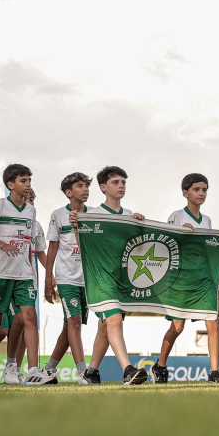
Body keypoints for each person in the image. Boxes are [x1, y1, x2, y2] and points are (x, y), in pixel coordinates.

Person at [151, 173, 219, 384]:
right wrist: (180, 232)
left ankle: (215, 372)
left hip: (203, 278)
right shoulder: (176, 216)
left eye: (204, 190)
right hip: (181, 278)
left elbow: (207, 246)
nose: (201, 193)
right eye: (196, 189)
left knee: (213, 320)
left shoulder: (207, 220)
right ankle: (160, 366)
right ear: (185, 193)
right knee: (177, 327)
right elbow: (167, 242)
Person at [69, 165, 149, 385]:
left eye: (123, 182)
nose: (121, 186)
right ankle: (128, 370)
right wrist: (76, 227)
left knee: (106, 325)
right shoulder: (93, 214)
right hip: (100, 278)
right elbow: (83, 246)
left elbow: (140, 250)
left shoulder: (129, 216)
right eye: (115, 182)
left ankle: (91, 373)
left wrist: (140, 227)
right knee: (114, 319)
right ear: (103, 187)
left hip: (122, 279)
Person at [0, 164, 56, 385]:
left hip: (24, 275)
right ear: (10, 184)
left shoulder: (31, 211)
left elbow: (37, 249)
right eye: (23, 181)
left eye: (29, 180)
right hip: (0, 273)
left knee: (29, 317)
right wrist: (2, 245)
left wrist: (48, 274)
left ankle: (32, 370)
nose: (28, 184)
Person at [41, 172, 93, 384]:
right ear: (69, 192)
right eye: (80, 186)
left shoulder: (94, 214)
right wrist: (48, 278)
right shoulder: (58, 215)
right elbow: (52, 247)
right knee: (75, 322)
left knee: (68, 327)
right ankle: (83, 373)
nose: (85, 189)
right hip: (66, 278)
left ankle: (48, 370)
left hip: (87, 279)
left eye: (87, 186)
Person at [6, 188, 48, 380]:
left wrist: (51, 274)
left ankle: (24, 369)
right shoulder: (8, 220)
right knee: (18, 320)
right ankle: (10, 365)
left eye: (31, 199)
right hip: (10, 277)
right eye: (25, 199)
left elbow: (40, 252)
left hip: (30, 279)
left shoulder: (36, 225)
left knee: (28, 321)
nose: (29, 203)